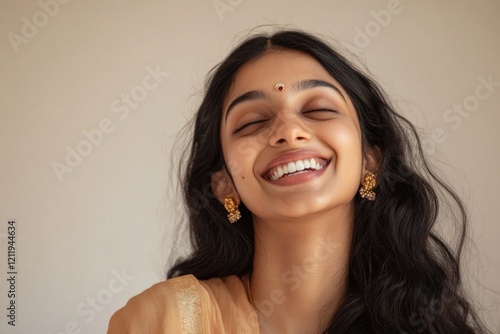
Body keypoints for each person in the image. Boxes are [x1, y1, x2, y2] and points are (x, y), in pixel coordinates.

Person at [107, 29, 489, 333]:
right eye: (252, 122)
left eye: (319, 109)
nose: (288, 131)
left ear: (371, 160)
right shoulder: (167, 321)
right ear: (223, 183)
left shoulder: (428, 323)